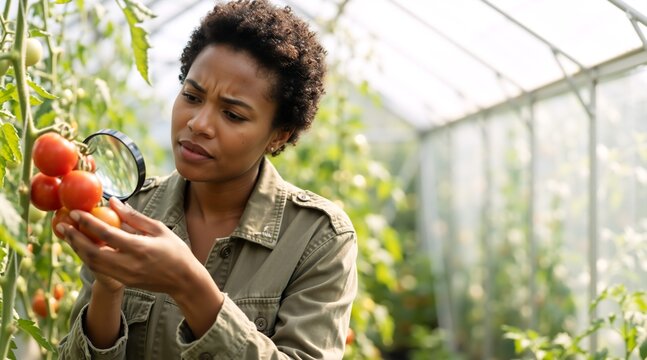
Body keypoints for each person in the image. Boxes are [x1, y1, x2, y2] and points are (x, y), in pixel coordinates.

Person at [57, 0, 358, 358]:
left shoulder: (317, 239)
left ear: (279, 134)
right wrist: (108, 287)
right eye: (192, 96)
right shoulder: (128, 211)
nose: (198, 123)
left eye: (232, 114)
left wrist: (190, 286)